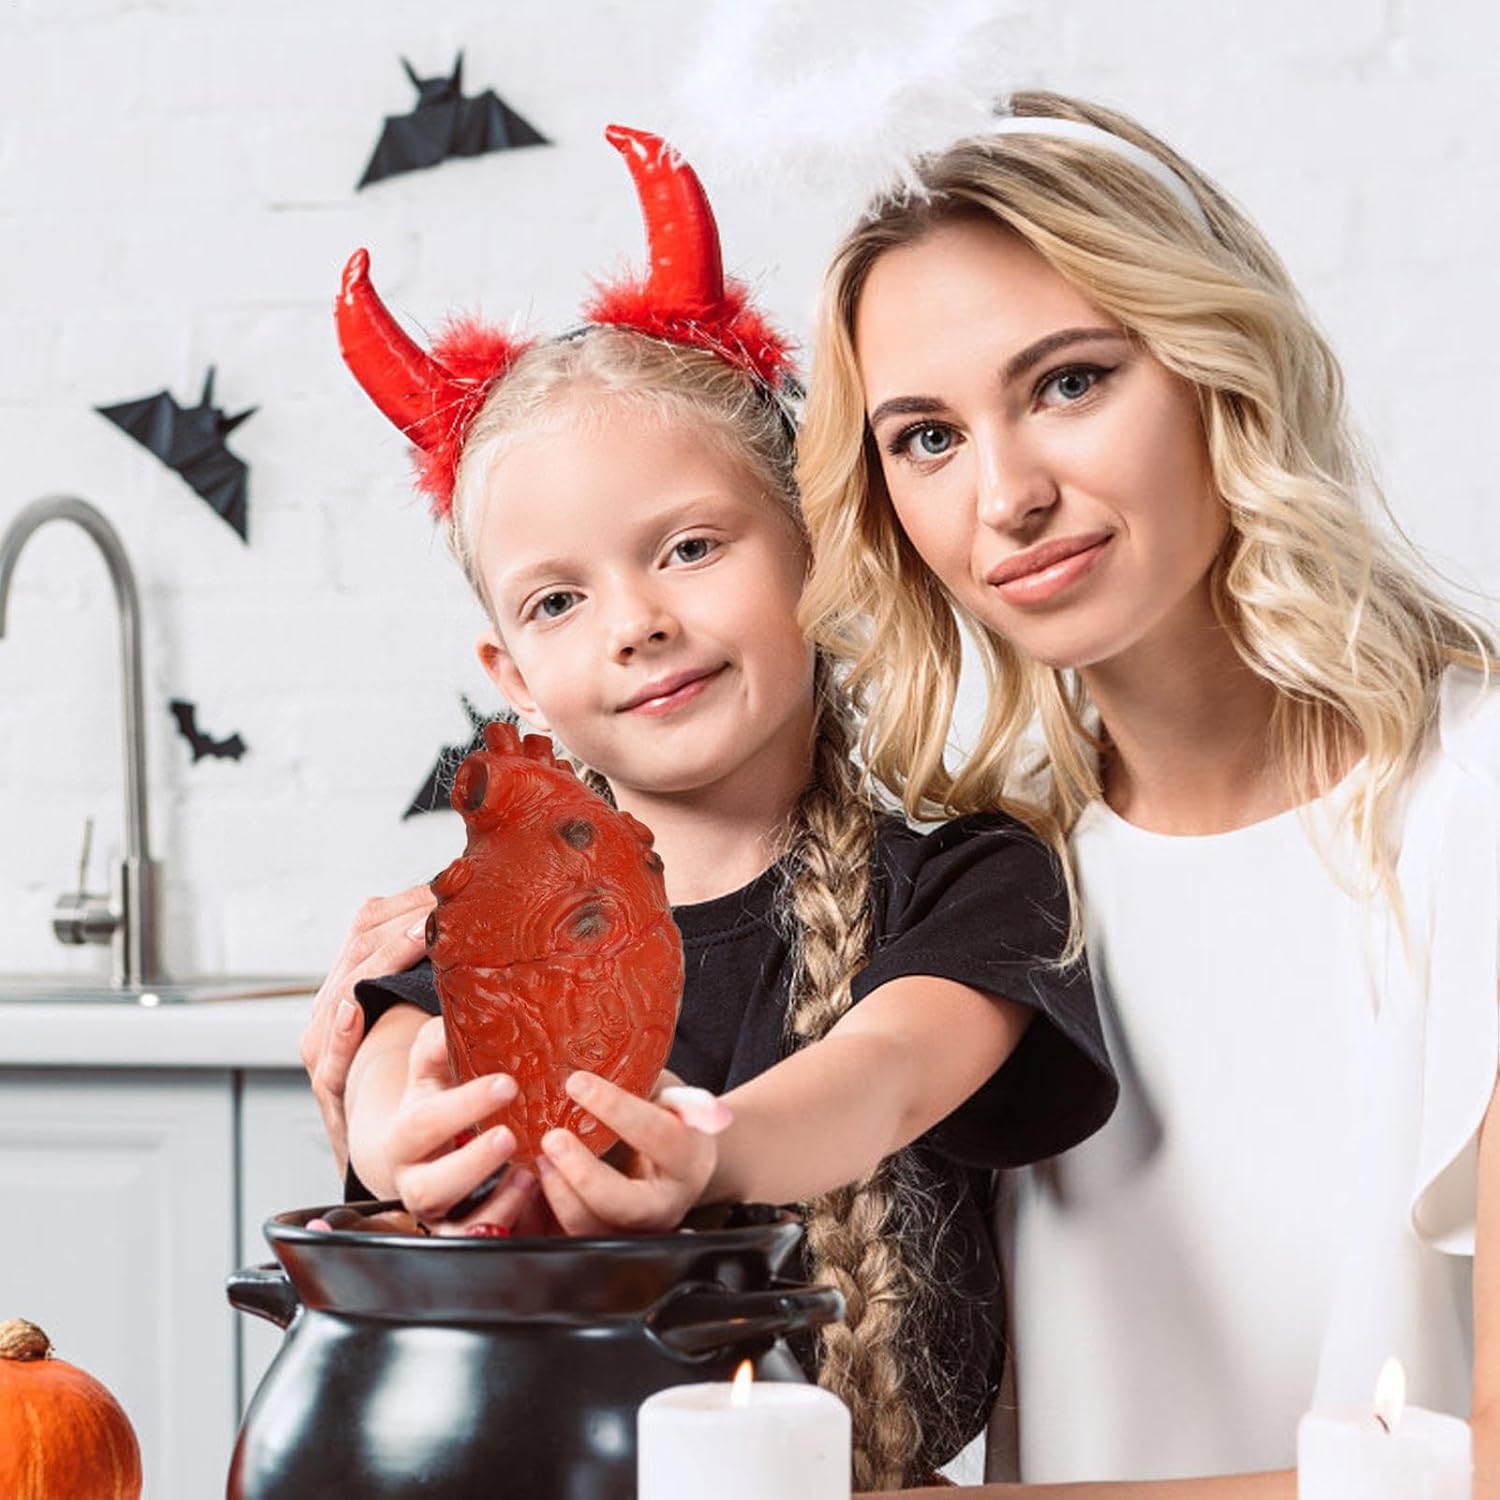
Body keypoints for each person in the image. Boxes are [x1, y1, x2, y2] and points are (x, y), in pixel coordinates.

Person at [308, 124, 1117, 1492]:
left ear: (817, 551)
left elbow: (889, 1072)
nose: (635, 622)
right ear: (515, 677)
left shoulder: (975, 880)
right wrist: (396, 1132)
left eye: (689, 547)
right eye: (559, 600)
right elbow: (405, 1044)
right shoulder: (500, 922)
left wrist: (704, 1149)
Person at [789, 88, 1500, 1494]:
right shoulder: (986, 886)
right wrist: (398, 1024)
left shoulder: (1471, 810)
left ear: (1219, 372)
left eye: (1068, 383)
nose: (1006, 495)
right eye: (926, 436)